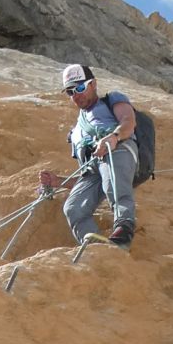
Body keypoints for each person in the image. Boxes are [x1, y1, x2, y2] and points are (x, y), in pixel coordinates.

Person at [60, 62, 139, 249]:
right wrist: (58, 182)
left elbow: (128, 121)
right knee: (73, 208)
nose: (76, 95)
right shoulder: (76, 131)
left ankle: (123, 230)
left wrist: (114, 137)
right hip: (92, 169)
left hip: (117, 150)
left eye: (80, 88)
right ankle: (98, 249)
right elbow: (87, 176)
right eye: (71, 92)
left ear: (93, 84)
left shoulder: (112, 100)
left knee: (113, 184)